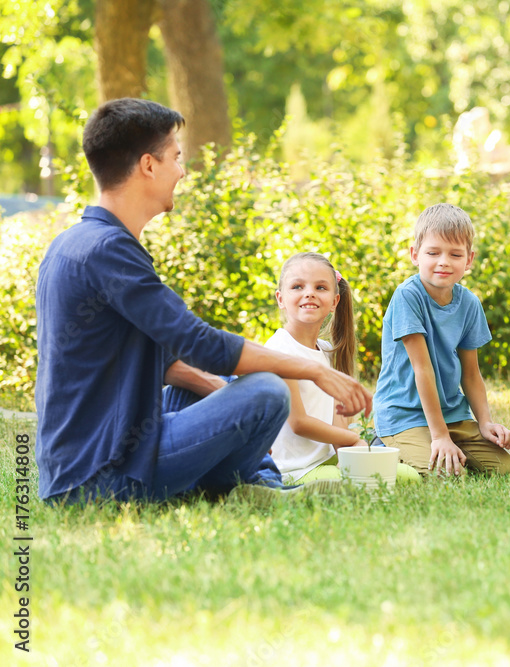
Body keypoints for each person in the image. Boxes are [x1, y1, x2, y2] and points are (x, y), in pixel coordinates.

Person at [34, 98, 371, 504]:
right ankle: (257, 487)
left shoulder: (75, 242)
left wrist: (216, 385)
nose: (181, 171)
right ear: (148, 165)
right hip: (98, 477)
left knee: (225, 384)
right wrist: (314, 371)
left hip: (85, 462)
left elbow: (163, 359)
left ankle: (257, 483)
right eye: (176, 158)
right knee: (267, 392)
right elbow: (201, 343)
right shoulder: (109, 251)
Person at [372, 203, 510, 477]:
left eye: (455, 254)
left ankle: (445, 442)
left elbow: (471, 373)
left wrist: (485, 422)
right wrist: (439, 437)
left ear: (469, 259)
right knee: (446, 476)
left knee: (509, 472)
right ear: (415, 255)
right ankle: (384, 442)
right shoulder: (408, 296)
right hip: (404, 416)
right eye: (433, 252)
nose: (444, 261)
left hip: (453, 414)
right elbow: (422, 369)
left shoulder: (469, 303)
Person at [264, 252, 418, 485]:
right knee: (389, 481)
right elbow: (298, 423)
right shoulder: (280, 349)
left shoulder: (326, 352)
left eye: (320, 287)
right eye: (297, 286)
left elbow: (339, 422)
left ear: (334, 301)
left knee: (409, 477)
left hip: (323, 461)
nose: (309, 293)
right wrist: (353, 441)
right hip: (294, 471)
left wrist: (351, 451)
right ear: (280, 299)